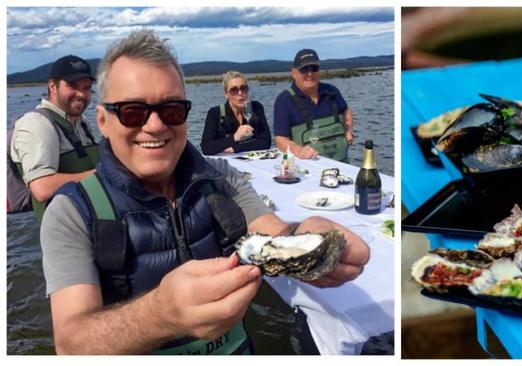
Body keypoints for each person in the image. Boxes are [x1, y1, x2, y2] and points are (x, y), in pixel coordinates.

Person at [40, 29, 369, 355]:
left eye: (171, 110)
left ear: (185, 115)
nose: (155, 125)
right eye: (132, 111)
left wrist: (309, 239)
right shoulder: (74, 212)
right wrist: (159, 314)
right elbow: (71, 345)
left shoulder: (221, 178)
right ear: (102, 120)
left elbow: (273, 232)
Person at [9, 55, 98, 222]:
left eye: (86, 88)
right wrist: (104, 175)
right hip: (65, 232)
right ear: (52, 86)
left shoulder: (80, 122)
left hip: (94, 224)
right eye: (72, 86)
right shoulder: (36, 124)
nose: (81, 94)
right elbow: (42, 187)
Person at [273, 49, 354, 161]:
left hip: (343, 165)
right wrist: (299, 150)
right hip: (308, 171)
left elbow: (346, 110)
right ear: (294, 73)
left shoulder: (332, 91)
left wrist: (348, 129)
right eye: (304, 69)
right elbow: (280, 139)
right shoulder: (284, 100)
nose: (310, 74)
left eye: (314, 68)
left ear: (319, 71)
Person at [201, 71, 271, 154]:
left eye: (243, 88)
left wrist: (236, 148)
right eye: (234, 90)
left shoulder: (256, 108)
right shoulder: (215, 113)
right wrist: (235, 137)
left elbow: (266, 141)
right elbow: (206, 148)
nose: (240, 93)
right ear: (226, 94)